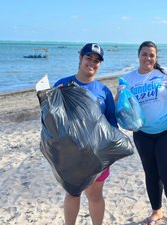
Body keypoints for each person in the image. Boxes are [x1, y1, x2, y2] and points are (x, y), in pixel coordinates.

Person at [119, 41, 167, 225]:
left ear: (156, 57)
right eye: (144, 54)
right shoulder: (129, 78)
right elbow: (121, 108)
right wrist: (119, 95)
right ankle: (157, 212)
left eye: (151, 55)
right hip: (143, 134)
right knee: (151, 173)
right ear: (138, 55)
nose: (148, 58)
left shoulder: (165, 74)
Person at [53, 43, 118, 225]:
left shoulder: (103, 91)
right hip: (70, 153)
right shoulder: (62, 84)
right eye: (88, 57)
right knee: (72, 193)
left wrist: (108, 149)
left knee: (95, 195)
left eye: (97, 60)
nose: (92, 62)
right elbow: (50, 120)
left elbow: (112, 122)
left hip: (97, 154)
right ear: (80, 58)